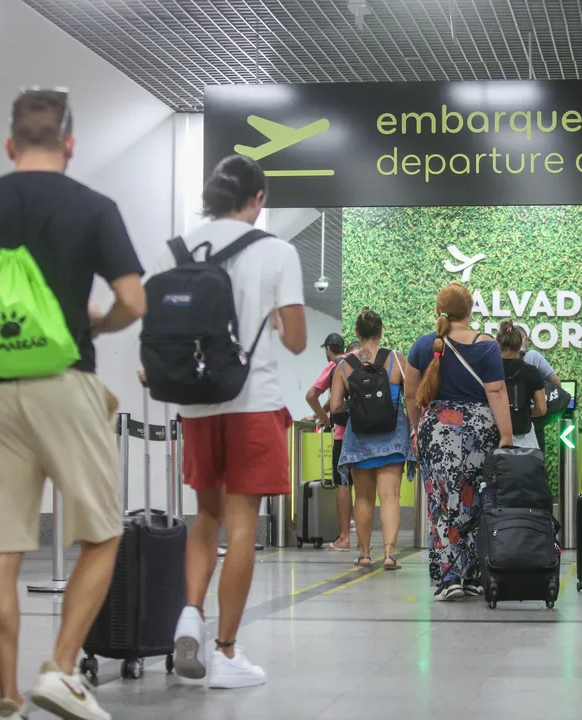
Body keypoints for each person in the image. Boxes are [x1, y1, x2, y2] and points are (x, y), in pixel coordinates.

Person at [0, 89, 145, 720]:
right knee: (103, 530)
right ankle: (60, 669)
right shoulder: (93, 208)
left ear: (10, 145)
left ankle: (7, 699)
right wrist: (96, 325)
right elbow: (132, 301)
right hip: (65, 384)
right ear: (70, 145)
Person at [165, 154, 306, 689]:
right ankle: (225, 652)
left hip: (196, 404)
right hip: (252, 401)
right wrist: (272, 316)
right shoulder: (276, 252)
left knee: (204, 517)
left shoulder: (175, 250)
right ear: (258, 199)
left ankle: (189, 614)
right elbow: (296, 340)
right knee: (242, 524)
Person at [404, 283, 513, 601]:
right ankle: (475, 576)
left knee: (442, 504)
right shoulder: (486, 346)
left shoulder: (423, 346)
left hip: (435, 430)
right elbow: (496, 392)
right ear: (470, 310)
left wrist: (415, 429)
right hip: (478, 434)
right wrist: (506, 436)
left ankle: (449, 576)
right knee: (475, 500)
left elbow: (412, 395)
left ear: (439, 309)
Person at [331, 308, 414, 570]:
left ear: (356, 333)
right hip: (393, 434)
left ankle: (365, 554)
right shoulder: (397, 360)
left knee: (364, 499)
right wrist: (414, 429)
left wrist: (355, 403)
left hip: (360, 438)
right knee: (390, 497)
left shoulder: (344, 366)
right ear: (381, 332)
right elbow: (411, 397)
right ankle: (389, 554)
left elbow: (334, 407)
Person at [306, 332, 353, 552]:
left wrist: (323, 418)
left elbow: (311, 395)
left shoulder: (334, 365)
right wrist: (321, 414)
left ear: (328, 349)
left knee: (343, 483)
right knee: (363, 487)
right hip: (364, 433)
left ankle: (344, 538)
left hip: (343, 435)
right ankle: (364, 541)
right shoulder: (356, 361)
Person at [496, 320, 547, 449]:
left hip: (496, 434)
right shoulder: (531, 371)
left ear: (498, 344)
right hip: (524, 437)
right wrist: (525, 412)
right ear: (521, 344)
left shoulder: (489, 371)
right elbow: (541, 409)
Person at [521, 334, 560, 452]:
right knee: (536, 462)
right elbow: (557, 384)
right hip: (534, 421)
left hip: (507, 424)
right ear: (524, 340)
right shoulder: (533, 357)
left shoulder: (498, 360)